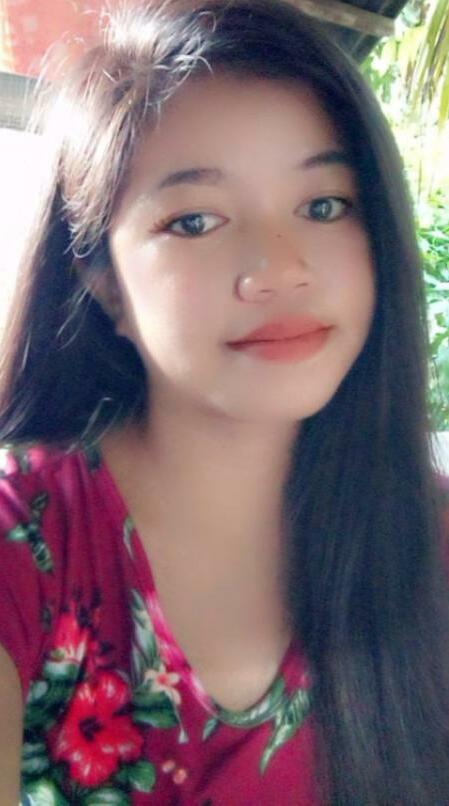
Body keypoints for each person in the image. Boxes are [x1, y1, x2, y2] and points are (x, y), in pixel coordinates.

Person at [1, 0, 449, 802]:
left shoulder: (431, 534)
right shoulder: (25, 541)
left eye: (323, 206)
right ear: (103, 283)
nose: (276, 269)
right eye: (195, 220)